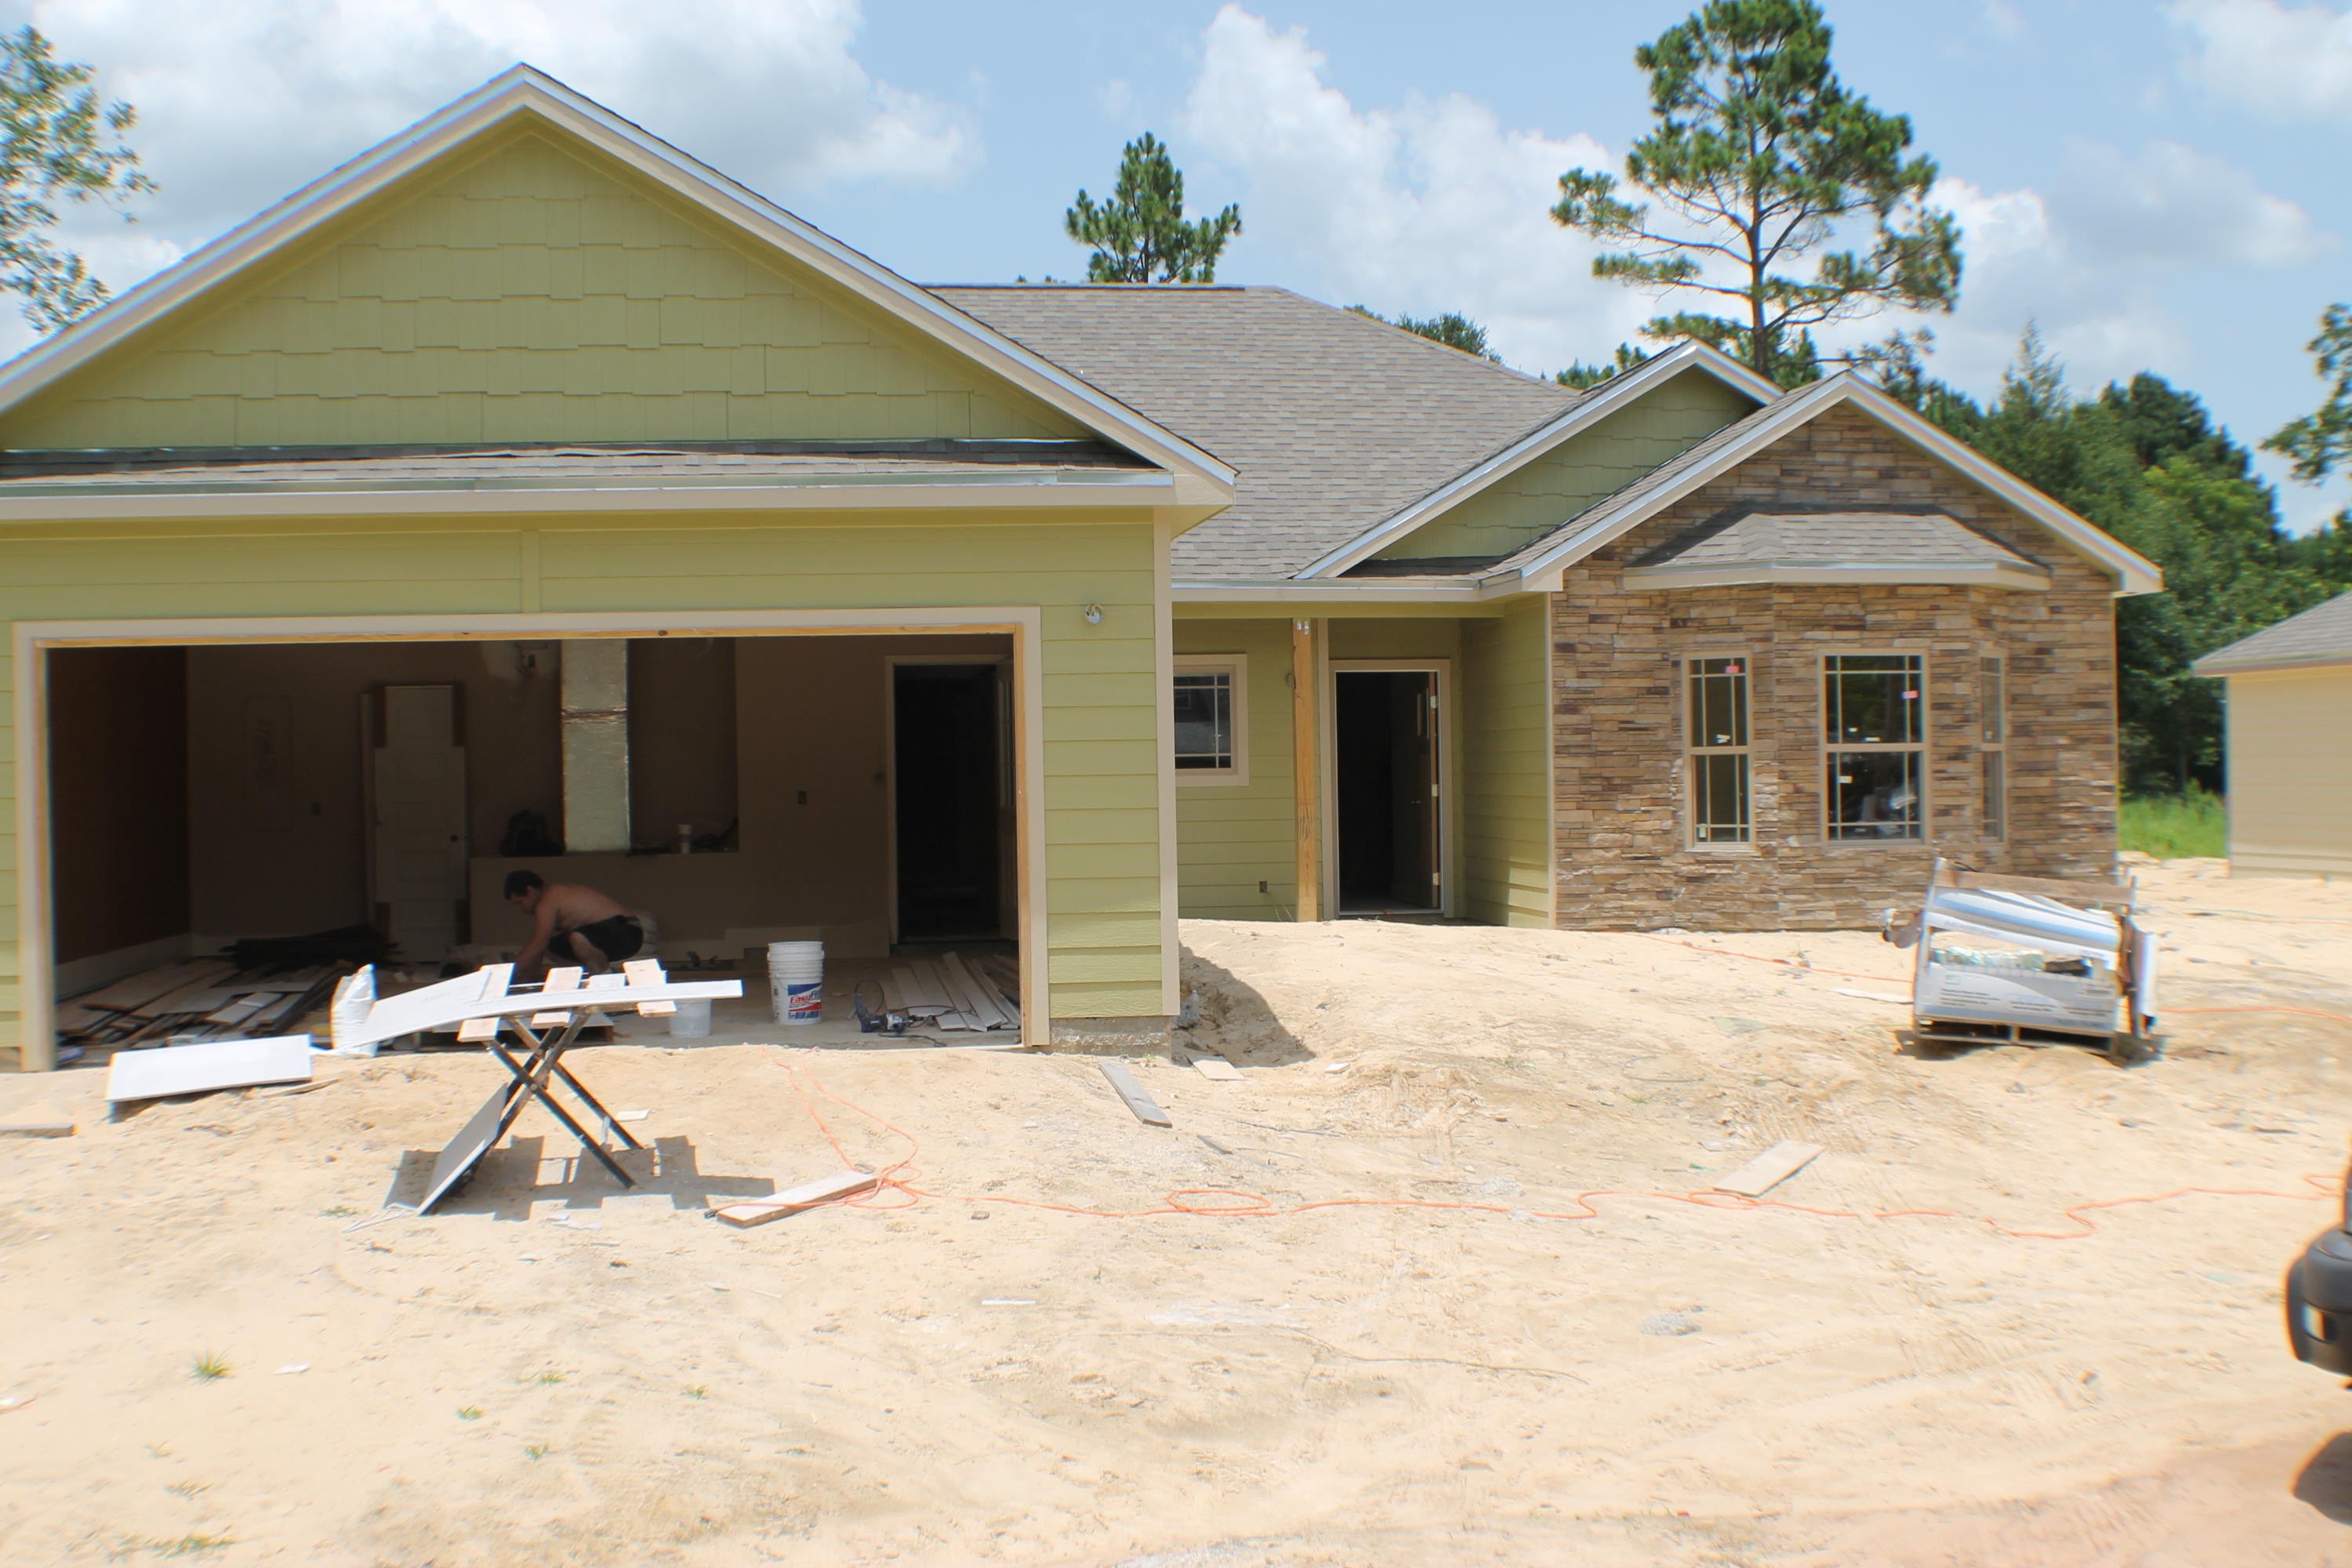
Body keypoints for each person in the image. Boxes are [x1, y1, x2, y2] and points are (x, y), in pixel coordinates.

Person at [503, 869, 644, 980]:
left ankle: (607, 980)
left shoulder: (547, 899)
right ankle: (591, 976)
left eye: (519, 903)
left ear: (530, 891)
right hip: (621, 933)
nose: (519, 909)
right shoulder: (550, 900)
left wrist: (505, 976)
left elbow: (538, 945)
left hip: (625, 931)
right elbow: (540, 949)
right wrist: (526, 979)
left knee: (578, 939)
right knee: (552, 947)